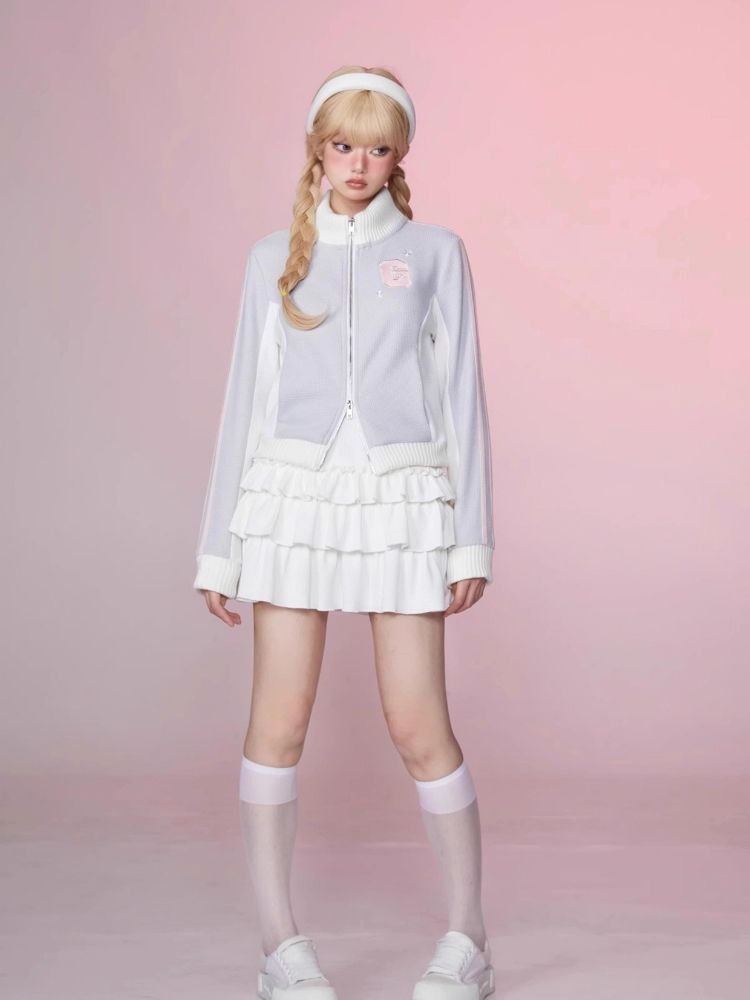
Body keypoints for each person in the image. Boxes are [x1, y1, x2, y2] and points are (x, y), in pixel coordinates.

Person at [193, 65, 496, 1000]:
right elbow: (245, 401)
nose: (358, 164)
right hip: (291, 502)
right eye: (342, 144)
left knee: (419, 727)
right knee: (277, 724)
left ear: (398, 157)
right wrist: (219, 548)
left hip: (401, 504)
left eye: (377, 147)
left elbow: (462, 398)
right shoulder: (270, 258)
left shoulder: (436, 252)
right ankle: (278, 945)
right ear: (316, 149)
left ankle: (469, 939)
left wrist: (471, 538)